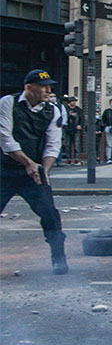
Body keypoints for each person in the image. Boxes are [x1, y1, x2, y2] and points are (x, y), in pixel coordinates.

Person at [0, 69, 69, 274]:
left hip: (34, 173)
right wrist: (28, 163)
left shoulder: (53, 110)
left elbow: (52, 145)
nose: (48, 90)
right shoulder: (8, 103)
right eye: (43, 86)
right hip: (5, 170)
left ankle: (59, 258)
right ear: (29, 88)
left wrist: (44, 170)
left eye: (50, 86)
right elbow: (5, 139)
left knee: (50, 215)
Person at [101, 98, 112, 162]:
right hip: (109, 128)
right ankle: (109, 158)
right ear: (110, 103)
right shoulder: (107, 111)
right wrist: (103, 128)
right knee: (109, 144)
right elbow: (103, 120)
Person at [63, 97, 81, 164]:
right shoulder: (65, 109)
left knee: (76, 144)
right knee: (67, 144)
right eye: (72, 101)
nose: (74, 103)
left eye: (74, 101)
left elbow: (82, 118)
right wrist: (69, 115)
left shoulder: (78, 110)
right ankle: (68, 159)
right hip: (67, 129)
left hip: (76, 129)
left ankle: (77, 158)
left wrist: (80, 125)